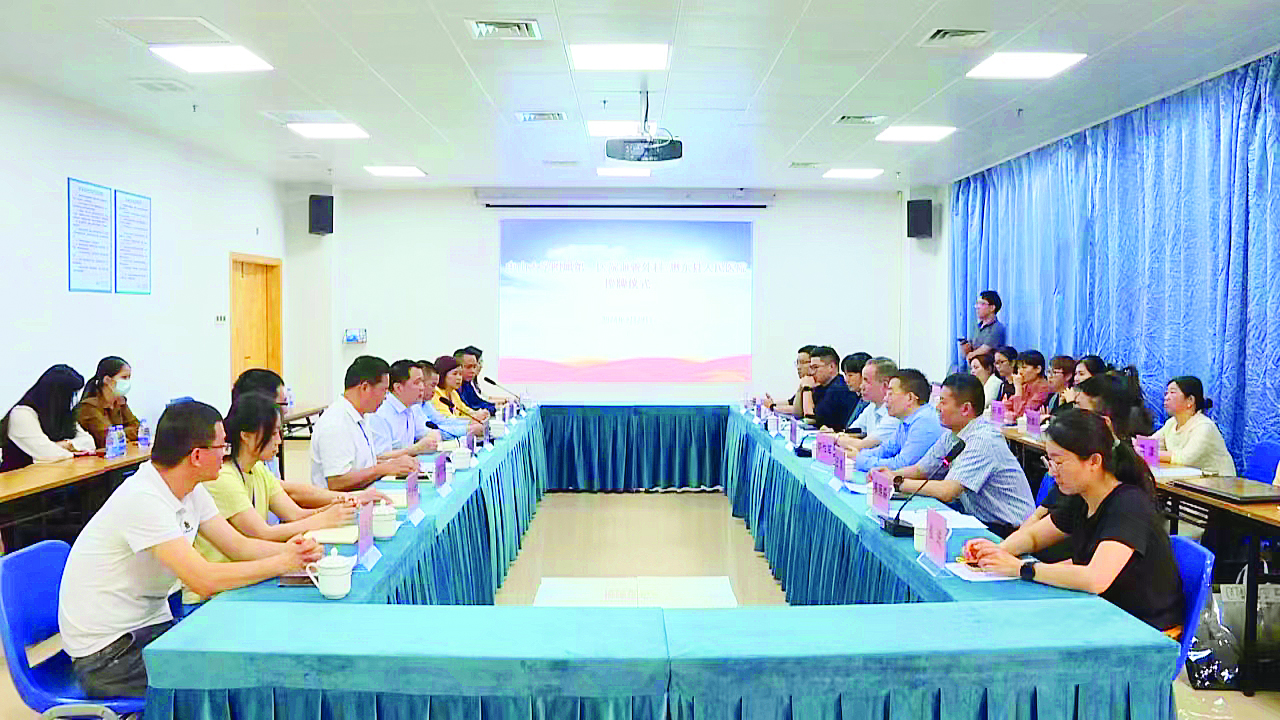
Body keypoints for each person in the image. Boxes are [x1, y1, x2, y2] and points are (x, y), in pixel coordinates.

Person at [58, 401, 323, 697]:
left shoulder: (191, 489)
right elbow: (203, 580)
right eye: (221, 446)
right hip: (108, 656)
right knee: (240, 673)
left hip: (150, 630)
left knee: (248, 640)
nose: (226, 453)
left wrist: (294, 552)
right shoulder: (143, 499)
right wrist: (282, 562)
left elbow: (239, 546)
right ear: (197, 456)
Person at [965, 409, 1184, 635]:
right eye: (1049, 461)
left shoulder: (1129, 504)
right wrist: (995, 552)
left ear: (1094, 461)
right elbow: (1033, 537)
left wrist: (1021, 568)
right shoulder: (1082, 497)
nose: (1052, 472)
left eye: (1059, 462)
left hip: (1146, 629)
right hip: (1104, 611)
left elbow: (1095, 579)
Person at [186, 393, 355, 603]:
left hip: (243, 579)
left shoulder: (258, 469)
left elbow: (295, 514)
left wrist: (333, 510)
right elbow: (261, 534)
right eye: (273, 433)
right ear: (246, 436)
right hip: (216, 594)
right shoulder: (223, 478)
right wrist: (320, 522)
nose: (279, 440)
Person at [888, 374, 1034, 537]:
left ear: (965, 409)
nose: (937, 407)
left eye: (943, 402)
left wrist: (898, 483)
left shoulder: (982, 440)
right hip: (978, 519)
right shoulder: (953, 434)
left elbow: (948, 491)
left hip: (1008, 530)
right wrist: (889, 475)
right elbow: (920, 470)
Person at [310, 356, 418, 491]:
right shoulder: (335, 423)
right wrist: (383, 468)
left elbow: (364, 465)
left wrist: (396, 464)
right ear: (365, 388)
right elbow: (337, 482)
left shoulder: (363, 416)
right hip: (344, 501)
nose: (386, 397)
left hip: (366, 493)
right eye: (384, 391)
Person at [1, 365, 95, 472]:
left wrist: (67, 444)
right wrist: (73, 450)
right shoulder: (21, 413)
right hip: (19, 478)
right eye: (69, 394)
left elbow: (89, 443)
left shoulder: (61, 413)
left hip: (56, 474)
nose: (70, 399)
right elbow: (48, 455)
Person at [852, 369, 943, 471]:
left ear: (910, 398)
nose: (885, 399)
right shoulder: (906, 420)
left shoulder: (925, 422)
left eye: (890, 394)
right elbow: (885, 450)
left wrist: (861, 460)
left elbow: (902, 464)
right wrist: (860, 456)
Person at [1153, 376, 1236, 477]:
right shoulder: (1171, 423)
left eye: (1172, 393)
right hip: (1189, 480)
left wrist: (1150, 453)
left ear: (1190, 400)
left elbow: (1185, 459)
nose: (1166, 398)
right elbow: (1151, 443)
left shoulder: (1204, 427)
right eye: (1166, 393)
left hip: (1219, 481)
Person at [368, 360, 441, 458]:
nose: (422, 388)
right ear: (398, 388)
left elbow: (431, 433)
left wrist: (430, 440)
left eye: (423, 382)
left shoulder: (413, 407)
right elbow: (379, 457)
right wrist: (416, 449)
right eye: (417, 383)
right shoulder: (380, 413)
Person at [75, 356, 140, 448]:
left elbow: (139, 428)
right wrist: (125, 433)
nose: (127, 382)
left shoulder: (120, 401)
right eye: (124, 377)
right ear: (107, 380)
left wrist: (122, 433)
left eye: (129, 378)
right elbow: (109, 437)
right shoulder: (89, 406)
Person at [838, 357, 901, 453]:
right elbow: (852, 431)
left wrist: (835, 437)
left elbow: (863, 445)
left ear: (885, 385)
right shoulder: (872, 406)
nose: (861, 386)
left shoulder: (896, 413)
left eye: (866, 381)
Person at [416, 360, 484, 440]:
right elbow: (431, 432)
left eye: (460, 374)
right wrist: (468, 429)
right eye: (432, 385)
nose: (434, 390)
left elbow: (442, 421)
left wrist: (470, 422)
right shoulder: (415, 406)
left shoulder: (425, 403)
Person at [798, 346, 858, 431]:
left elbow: (810, 419)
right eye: (811, 368)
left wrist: (807, 389)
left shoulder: (838, 388)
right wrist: (800, 389)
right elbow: (797, 412)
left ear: (831, 367)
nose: (811, 372)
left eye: (815, 367)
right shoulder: (820, 386)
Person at [764, 345, 816, 416]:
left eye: (802, 362)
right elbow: (790, 402)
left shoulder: (816, 386)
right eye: (797, 363)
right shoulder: (805, 381)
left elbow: (798, 410)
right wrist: (772, 403)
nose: (798, 367)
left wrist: (772, 407)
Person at [958, 291, 1007, 362]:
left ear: (992, 308)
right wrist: (965, 348)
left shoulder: (997, 327)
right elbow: (967, 353)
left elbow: (985, 350)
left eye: (982, 304)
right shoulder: (977, 327)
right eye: (977, 304)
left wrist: (971, 354)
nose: (977, 307)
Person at [455, 346, 506, 414]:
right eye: (468, 367)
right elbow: (471, 407)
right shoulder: (453, 388)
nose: (473, 371)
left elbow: (478, 402)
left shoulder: (467, 384)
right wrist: (495, 408)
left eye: (474, 367)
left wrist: (496, 407)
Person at [1007, 350, 1052, 420]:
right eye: (1019, 368)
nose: (1020, 371)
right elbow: (1006, 406)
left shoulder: (1044, 388)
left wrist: (1018, 388)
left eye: (1024, 367)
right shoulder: (1026, 385)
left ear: (1038, 369)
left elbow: (1022, 414)